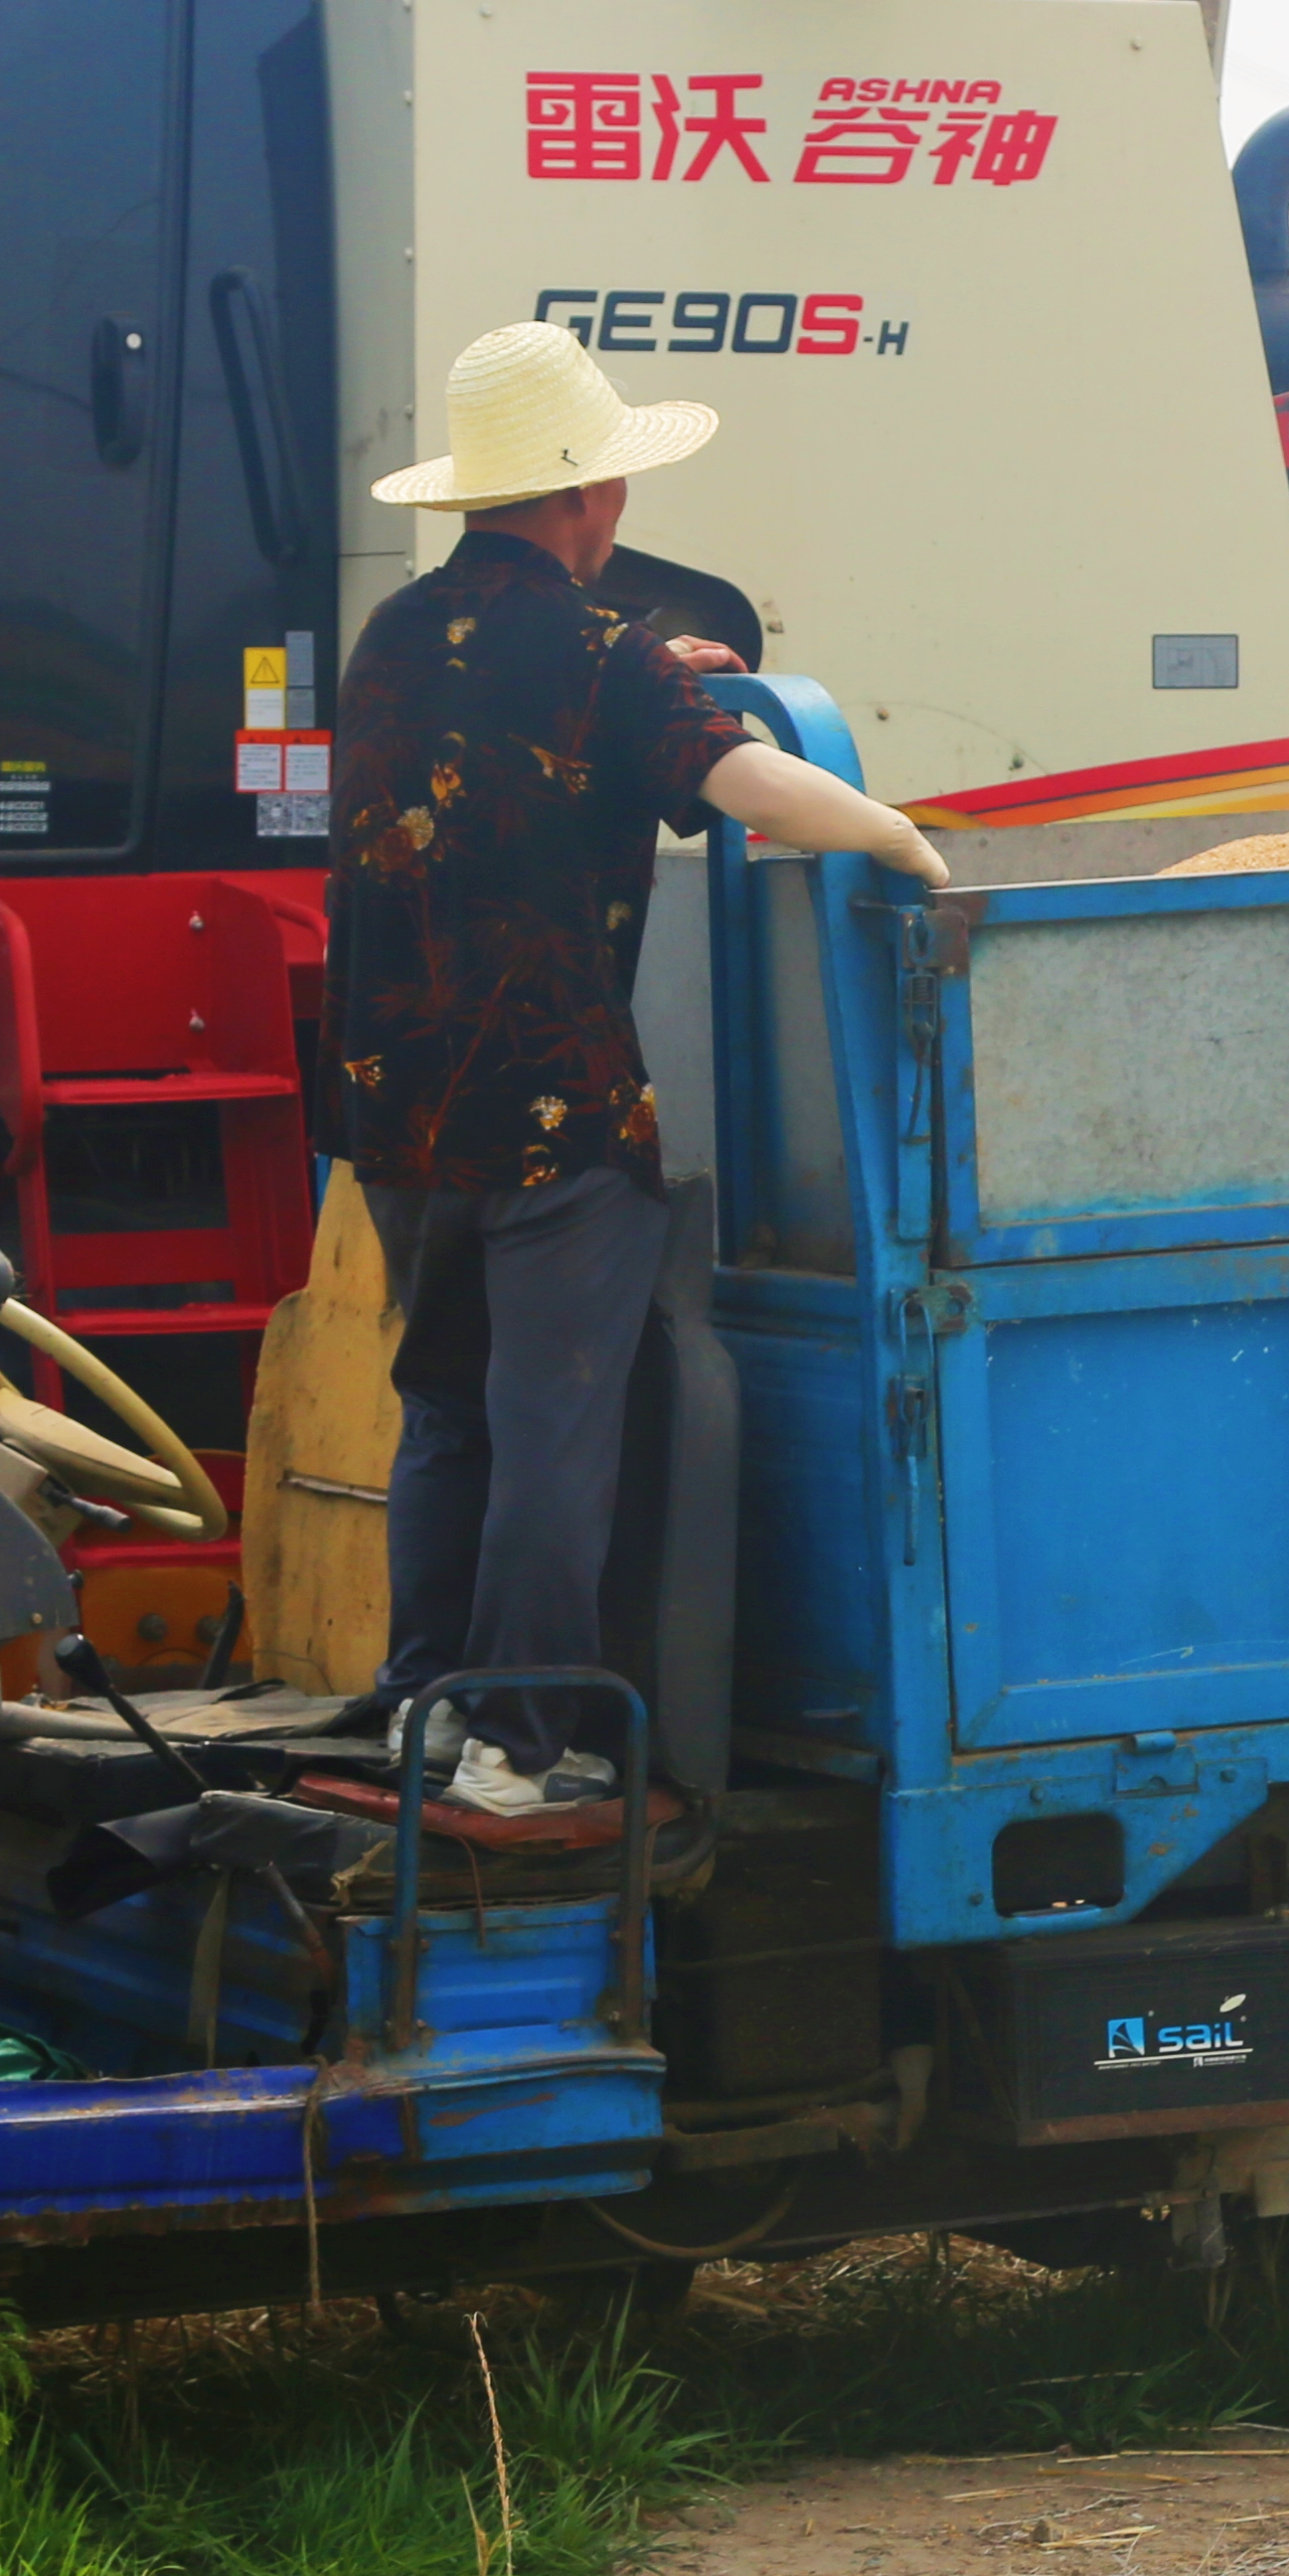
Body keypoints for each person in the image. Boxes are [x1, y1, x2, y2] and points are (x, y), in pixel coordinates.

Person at [327, 322, 949, 1816]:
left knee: (448, 1409)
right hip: (556, 1120)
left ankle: (424, 1704)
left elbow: (510, 723)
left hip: (397, 1115)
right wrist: (903, 843)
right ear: (592, 497)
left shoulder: (392, 640)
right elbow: (757, 791)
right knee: (558, 1426)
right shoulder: (602, 658)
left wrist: (658, 676)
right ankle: (520, 1748)